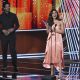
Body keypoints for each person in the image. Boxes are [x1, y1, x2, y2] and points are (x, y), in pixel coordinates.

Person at [43, 9, 64, 78]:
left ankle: (60, 73)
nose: (54, 14)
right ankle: (52, 73)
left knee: (58, 54)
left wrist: (55, 29)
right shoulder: (49, 21)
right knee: (51, 55)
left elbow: (62, 31)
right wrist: (47, 26)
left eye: (55, 13)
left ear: (57, 14)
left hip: (58, 40)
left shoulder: (60, 22)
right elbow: (48, 31)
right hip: (51, 39)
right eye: (53, 13)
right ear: (51, 15)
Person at [0, 2, 19, 79]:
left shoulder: (13, 15)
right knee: (4, 51)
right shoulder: (0, 16)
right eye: (6, 7)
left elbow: (17, 25)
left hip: (11, 36)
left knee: (12, 51)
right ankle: (4, 66)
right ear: (4, 8)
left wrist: (12, 29)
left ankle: (15, 66)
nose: (8, 8)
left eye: (9, 6)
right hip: (3, 36)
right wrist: (2, 30)